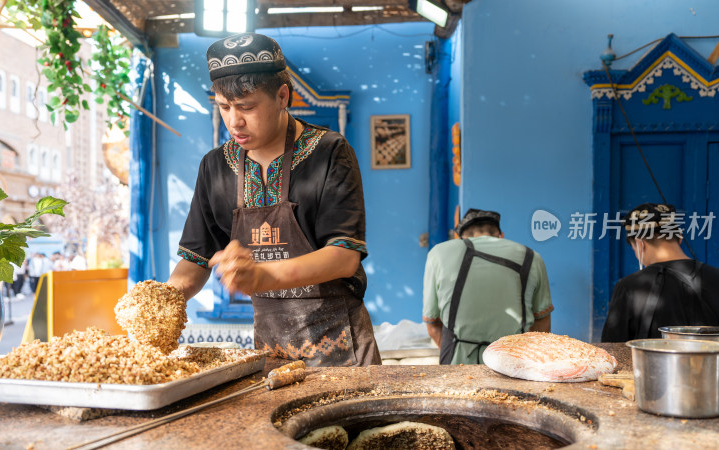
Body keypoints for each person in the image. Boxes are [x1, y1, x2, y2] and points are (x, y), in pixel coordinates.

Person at [166, 33, 380, 367]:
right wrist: (162, 299)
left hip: (342, 350)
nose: (234, 121)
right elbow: (196, 258)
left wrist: (264, 275)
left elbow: (343, 257)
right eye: (224, 107)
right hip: (271, 352)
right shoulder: (215, 166)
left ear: (282, 96)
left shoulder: (330, 153)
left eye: (247, 107)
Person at [601, 203, 719, 342]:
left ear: (640, 244)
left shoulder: (630, 286)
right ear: (679, 238)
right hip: (717, 371)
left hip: (652, 371)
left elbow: (613, 348)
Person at [423, 209, 553, 365]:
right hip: (515, 365)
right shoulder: (533, 257)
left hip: (457, 364)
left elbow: (432, 325)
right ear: (501, 236)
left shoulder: (438, 253)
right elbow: (542, 326)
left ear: (460, 238)